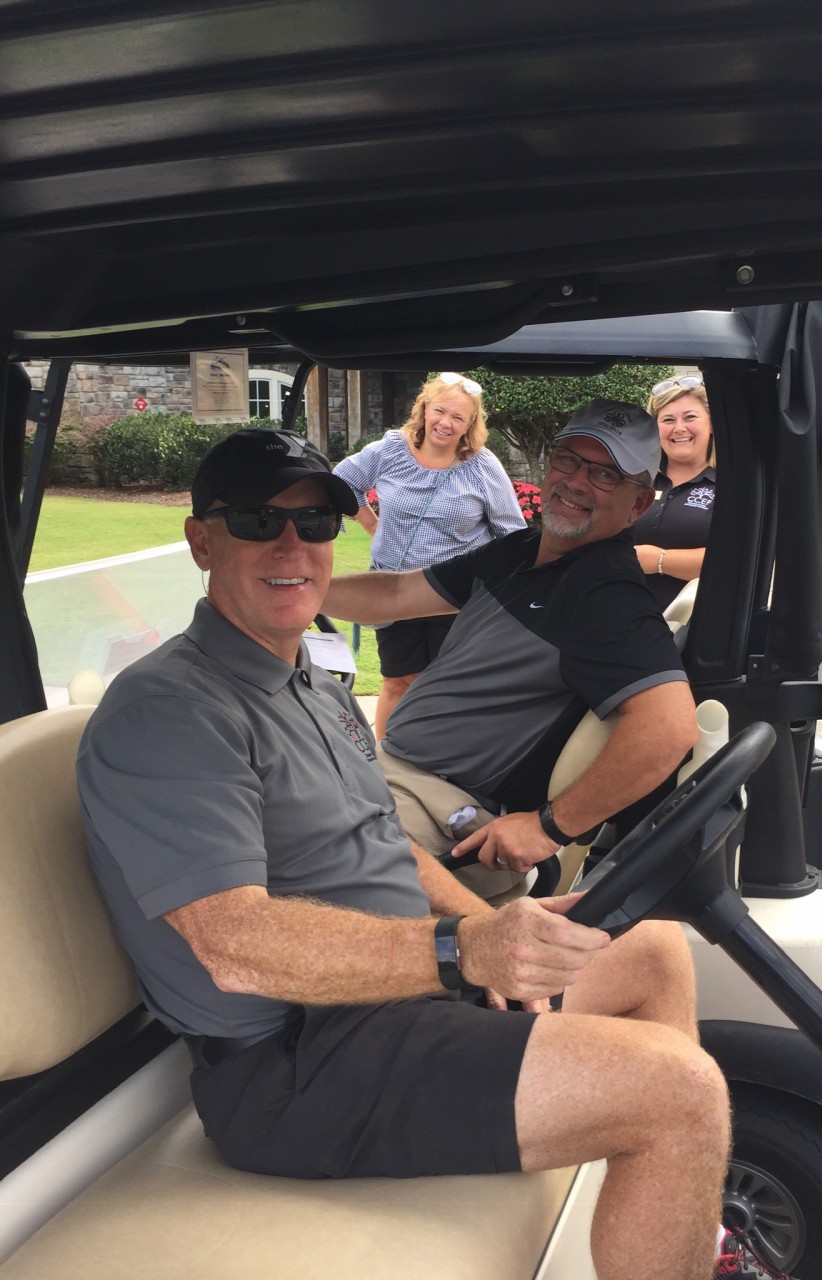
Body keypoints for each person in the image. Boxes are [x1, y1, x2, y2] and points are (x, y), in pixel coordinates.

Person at [74, 427, 785, 1280]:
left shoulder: (310, 681)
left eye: (316, 526)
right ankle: (656, 1155)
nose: (293, 547)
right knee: (682, 1091)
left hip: (396, 1005)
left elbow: (385, 845)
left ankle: (661, 1213)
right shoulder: (171, 710)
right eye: (260, 523)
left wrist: (489, 926)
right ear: (201, 540)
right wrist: (461, 954)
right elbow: (234, 947)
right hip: (300, 1066)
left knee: (658, 952)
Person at [322, 399, 694, 901]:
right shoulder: (520, 551)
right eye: (568, 460)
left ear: (638, 504)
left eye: (606, 475)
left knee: (279, 862)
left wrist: (548, 828)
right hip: (387, 774)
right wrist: (295, 591)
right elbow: (395, 594)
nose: (577, 482)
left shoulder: (604, 595)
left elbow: (670, 727)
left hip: (440, 813)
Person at [333, 372, 526, 739]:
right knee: (395, 682)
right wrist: (373, 525)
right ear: (423, 408)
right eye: (440, 411)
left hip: (453, 596)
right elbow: (342, 481)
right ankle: (387, 766)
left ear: (471, 423)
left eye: (458, 417)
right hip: (391, 590)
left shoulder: (482, 466)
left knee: (443, 686)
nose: (446, 423)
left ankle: (434, 762)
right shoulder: (390, 449)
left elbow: (512, 533)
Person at [632, 374, 716, 611]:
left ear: (711, 425)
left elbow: (734, 561)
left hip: (695, 628)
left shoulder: (731, 486)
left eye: (690, 417)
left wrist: (659, 561)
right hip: (620, 619)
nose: (679, 428)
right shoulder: (634, 481)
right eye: (668, 420)